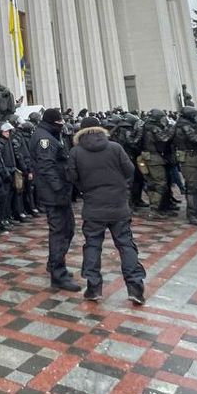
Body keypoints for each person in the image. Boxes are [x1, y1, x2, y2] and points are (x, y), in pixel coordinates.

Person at [66, 121, 145, 305]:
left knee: (93, 245)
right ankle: (135, 288)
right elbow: (130, 170)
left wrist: (85, 189)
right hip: (118, 204)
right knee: (126, 244)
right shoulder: (115, 147)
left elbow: (71, 177)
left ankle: (93, 288)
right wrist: (121, 187)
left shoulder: (76, 152)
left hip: (93, 206)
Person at [32, 108, 80, 292]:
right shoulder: (45, 139)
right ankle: (58, 274)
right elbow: (47, 167)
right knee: (60, 232)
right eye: (60, 123)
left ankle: (54, 265)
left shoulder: (50, 135)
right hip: (54, 193)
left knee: (68, 229)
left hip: (58, 192)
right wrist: (59, 188)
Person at [172, 106, 197, 227]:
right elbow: (196, 138)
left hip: (195, 157)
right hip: (189, 158)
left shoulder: (188, 123)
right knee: (192, 187)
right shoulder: (184, 125)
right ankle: (192, 215)